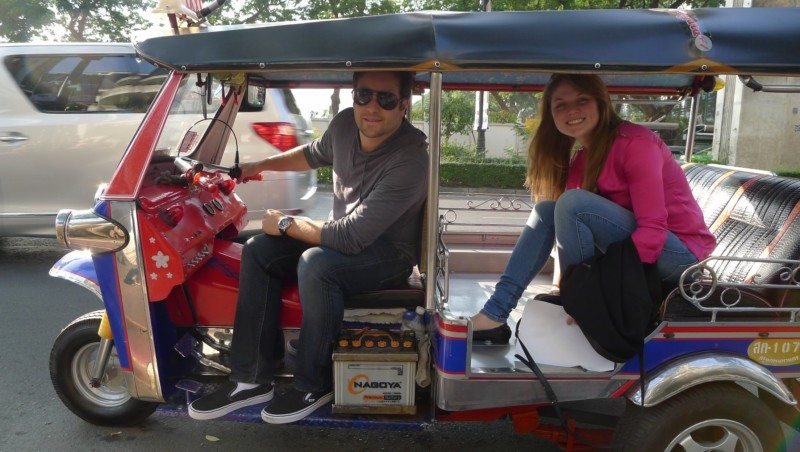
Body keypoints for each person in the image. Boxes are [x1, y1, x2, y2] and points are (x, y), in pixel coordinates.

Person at [188, 71, 429, 423]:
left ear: (404, 106)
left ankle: (313, 383)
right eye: (364, 95)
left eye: (386, 99)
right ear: (353, 97)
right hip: (346, 237)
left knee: (318, 265)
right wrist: (259, 166)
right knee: (258, 250)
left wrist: (286, 223)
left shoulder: (410, 160)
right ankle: (251, 377)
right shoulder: (346, 124)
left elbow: (350, 237)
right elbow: (313, 153)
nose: (372, 107)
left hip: (387, 253)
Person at [471, 74, 716, 344]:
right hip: (638, 254)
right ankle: (496, 312)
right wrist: (560, 285)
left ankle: (580, 298)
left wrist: (595, 295)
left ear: (601, 103)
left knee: (572, 203)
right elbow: (567, 230)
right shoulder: (583, 159)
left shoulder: (636, 144)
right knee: (546, 211)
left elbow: (653, 230)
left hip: (681, 258)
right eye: (560, 105)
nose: (571, 111)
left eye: (582, 100)